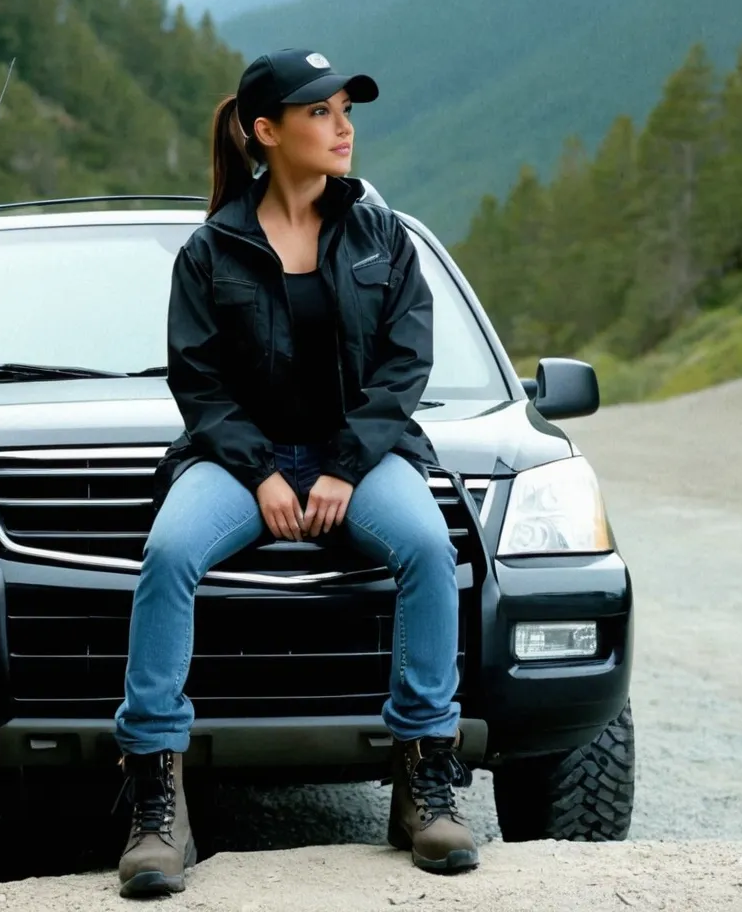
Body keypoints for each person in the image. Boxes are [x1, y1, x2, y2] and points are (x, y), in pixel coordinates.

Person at [112, 47, 478, 898]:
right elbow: (198, 383)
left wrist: (346, 466)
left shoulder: (384, 235)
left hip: (360, 455)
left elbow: (403, 369)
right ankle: (156, 795)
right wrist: (261, 474)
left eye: (347, 110)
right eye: (321, 112)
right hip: (243, 461)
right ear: (265, 131)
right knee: (168, 556)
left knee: (429, 547)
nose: (344, 126)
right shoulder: (210, 251)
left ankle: (425, 779)